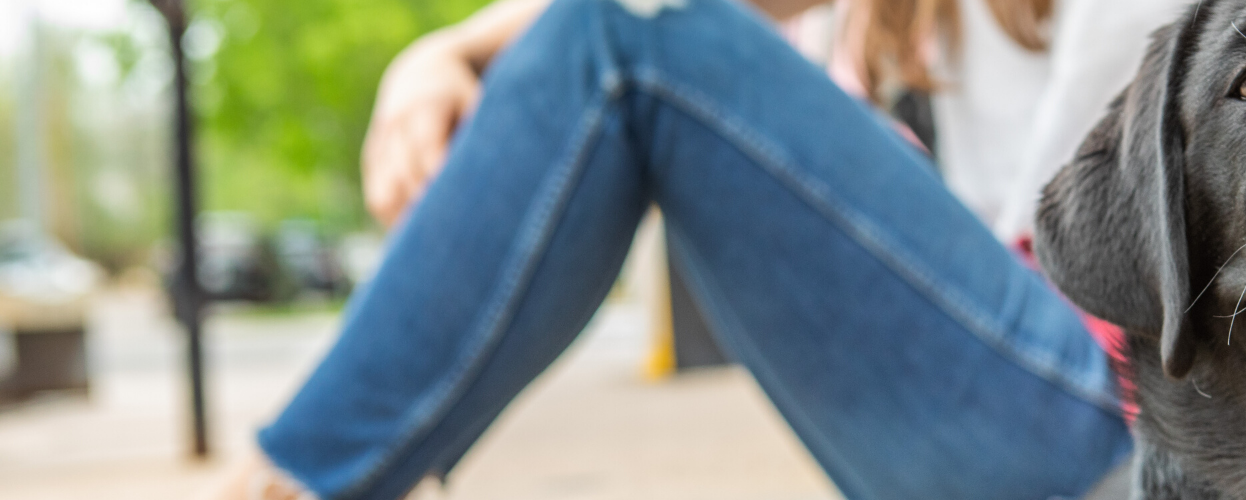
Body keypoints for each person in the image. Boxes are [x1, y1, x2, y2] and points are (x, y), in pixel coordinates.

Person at [201, 0, 1186, 497]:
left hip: (1127, 422)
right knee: (617, 43)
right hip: (1050, 394)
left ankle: (297, 477)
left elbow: (1097, 235)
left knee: (630, 59)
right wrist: (443, 51)